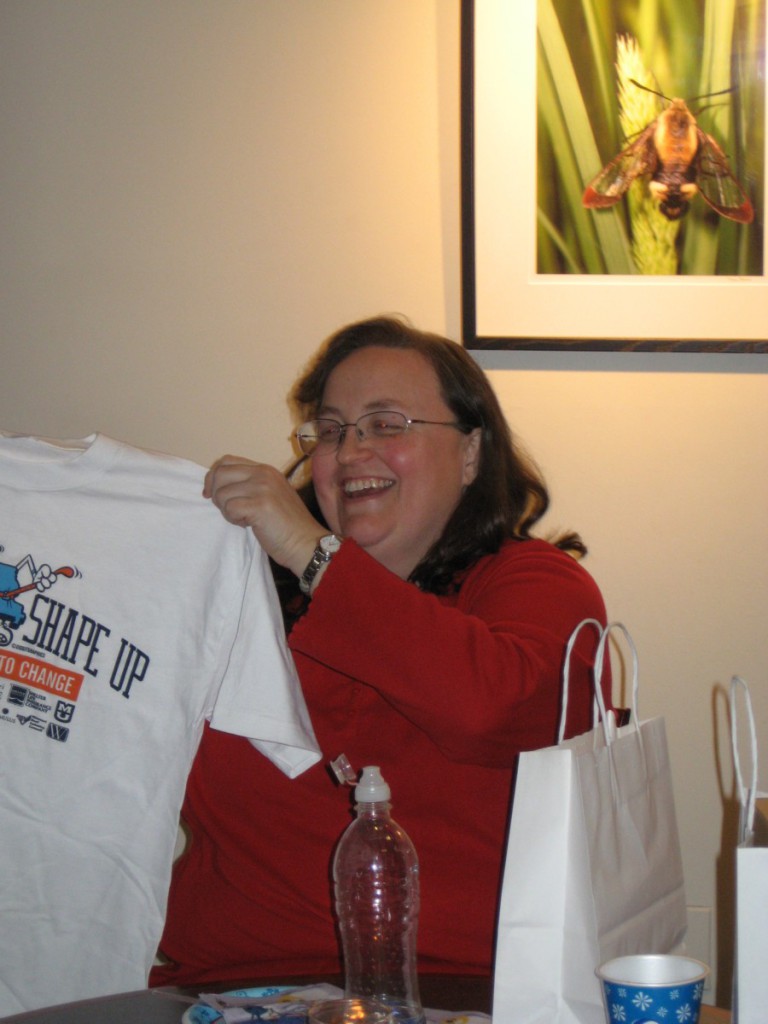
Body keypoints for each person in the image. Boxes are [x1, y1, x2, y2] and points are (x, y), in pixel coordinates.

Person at [151, 314, 609, 987]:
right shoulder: (241, 595)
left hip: (466, 993)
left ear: (472, 451)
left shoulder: (536, 584)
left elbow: (493, 707)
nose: (351, 451)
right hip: (230, 987)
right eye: (331, 431)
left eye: (387, 424)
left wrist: (312, 553)